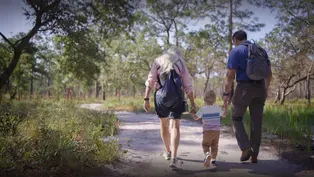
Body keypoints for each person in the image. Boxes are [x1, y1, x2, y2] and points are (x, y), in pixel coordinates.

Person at [223, 30, 272, 163]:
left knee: (236, 117)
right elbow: (269, 73)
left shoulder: (236, 51)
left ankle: (245, 148)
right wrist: (265, 89)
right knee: (256, 122)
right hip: (260, 87)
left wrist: (226, 94)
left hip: (244, 87)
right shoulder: (260, 50)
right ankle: (254, 154)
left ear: (235, 40)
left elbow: (229, 75)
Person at [143, 46, 196, 170]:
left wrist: (146, 99)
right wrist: (192, 102)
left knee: (164, 125)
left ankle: (167, 152)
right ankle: (174, 158)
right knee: (175, 126)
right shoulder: (181, 63)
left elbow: (150, 80)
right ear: (178, 54)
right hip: (177, 97)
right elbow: (187, 84)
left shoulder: (158, 61)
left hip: (160, 97)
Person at [192, 90, 226, 167]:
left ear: (204, 99)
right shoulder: (217, 108)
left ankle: (207, 154)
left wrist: (193, 112)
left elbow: (196, 118)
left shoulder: (203, 109)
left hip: (207, 131)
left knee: (205, 145)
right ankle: (213, 160)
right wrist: (225, 108)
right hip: (216, 131)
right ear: (214, 100)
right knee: (215, 145)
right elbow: (224, 115)